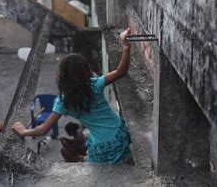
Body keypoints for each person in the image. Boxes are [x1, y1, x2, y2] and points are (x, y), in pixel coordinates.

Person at [12, 29, 132, 164]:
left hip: (102, 143)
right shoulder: (95, 84)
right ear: (85, 70)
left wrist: (24, 131)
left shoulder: (63, 102)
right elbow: (121, 72)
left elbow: (43, 129)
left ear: (62, 76)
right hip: (118, 131)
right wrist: (126, 46)